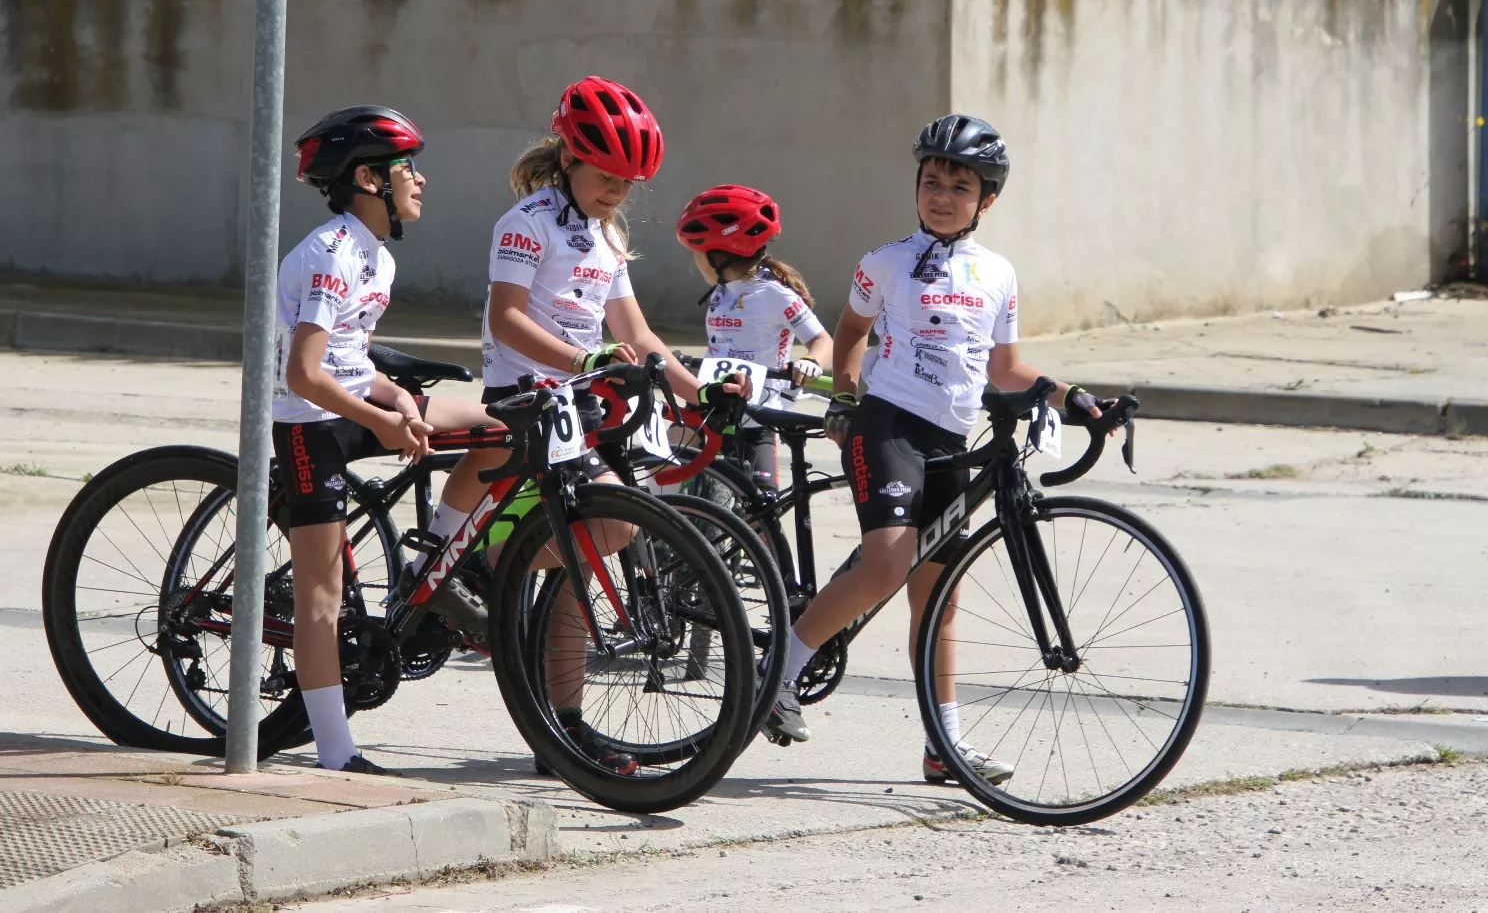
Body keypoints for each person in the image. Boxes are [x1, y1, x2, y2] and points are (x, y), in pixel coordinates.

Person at [766, 114, 1104, 784]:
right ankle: (779, 671)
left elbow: (1005, 370)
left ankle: (943, 746)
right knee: (887, 563)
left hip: (951, 439)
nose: (942, 194)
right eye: (931, 181)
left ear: (987, 200)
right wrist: (846, 394)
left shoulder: (998, 274)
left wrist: (1072, 397)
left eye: (959, 185)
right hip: (886, 424)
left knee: (940, 597)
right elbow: (851, 329)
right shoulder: (885, 262)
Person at [438, 75, 752, 774]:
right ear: (571, 157)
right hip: (526, 392)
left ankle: (564, 724)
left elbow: (636, 333)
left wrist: (698, 391)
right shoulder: (526, 223)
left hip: (580, 401)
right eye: (608, 175)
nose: (618, 190)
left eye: (630, 181)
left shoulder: (605, 235)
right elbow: (507, 318)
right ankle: (463, 570)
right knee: (600, 535)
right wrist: (588, 357)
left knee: (600, 538)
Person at [273, 106, 495, 775]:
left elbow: (350, 358)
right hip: (309, 424)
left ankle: (432, 563)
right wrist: (380, 421)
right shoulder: (329, 254)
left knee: (503, 429)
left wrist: (396, 398)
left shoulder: (380, 259)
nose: (421, 181)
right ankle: (337, 752)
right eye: (409, 170)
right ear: (369, 179)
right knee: (322, 593)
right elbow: (304, 374)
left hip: (357, 405)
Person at [675, 184, 833, 490]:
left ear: (719, 255)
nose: (695, 261)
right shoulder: (720, 293)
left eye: (698, 252)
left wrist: (811, 362)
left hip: (758, 415)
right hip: (715, 406)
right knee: (667, 466)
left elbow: (822, 340)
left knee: (763, 507)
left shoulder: (775, 294)